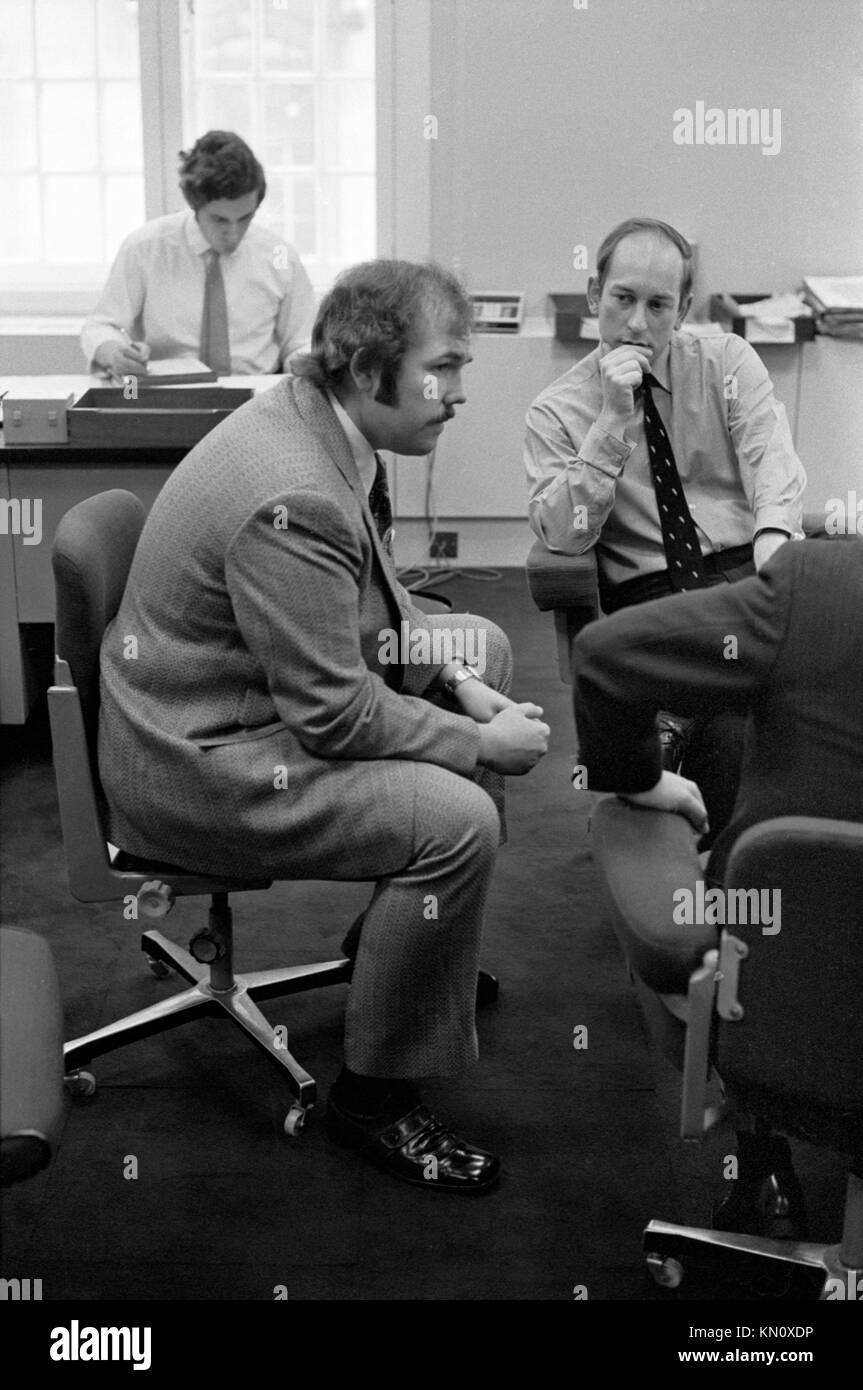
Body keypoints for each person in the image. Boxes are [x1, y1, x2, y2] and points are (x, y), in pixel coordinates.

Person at [99, 258, 550, 1194]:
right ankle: (374, 1100)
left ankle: (399, 946)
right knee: (456, 822)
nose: (459, 394)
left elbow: (370, 603)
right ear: (359, 363)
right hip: (204, 759)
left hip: (231, 697)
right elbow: (334, 711)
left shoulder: (321, 422)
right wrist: (477, 745)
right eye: (444, 368)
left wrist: (462, 688)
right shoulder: (292, 490)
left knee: (485, 653)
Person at [571, 534, 863, 1238]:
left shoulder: (824, 585)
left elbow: (605, 655)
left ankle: (763, 1166)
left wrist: (639, 780)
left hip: (786, 1005)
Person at [525, 217, 807, 832]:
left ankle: (678, 750)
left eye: (658, 305)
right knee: (734, 710)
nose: (636, 324)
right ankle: (734, 873)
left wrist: (774, 542)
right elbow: (562, 535)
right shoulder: (555, 411)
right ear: (596, 294)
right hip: (649, 589)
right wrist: (609, 422)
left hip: (743, 568)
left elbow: (771, 459)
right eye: (623, 299)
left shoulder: (726, 360)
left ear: (681, 309)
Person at [81, 130, 315, 379]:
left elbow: (300, 342)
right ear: (195, 206)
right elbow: (101, 326)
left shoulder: (279, 256)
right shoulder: (145, 248)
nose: (233, 233)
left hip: (256, 400)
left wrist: (305, 364)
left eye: (245, 218)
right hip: (169, 398)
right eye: (219, 220)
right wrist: (116, 353)